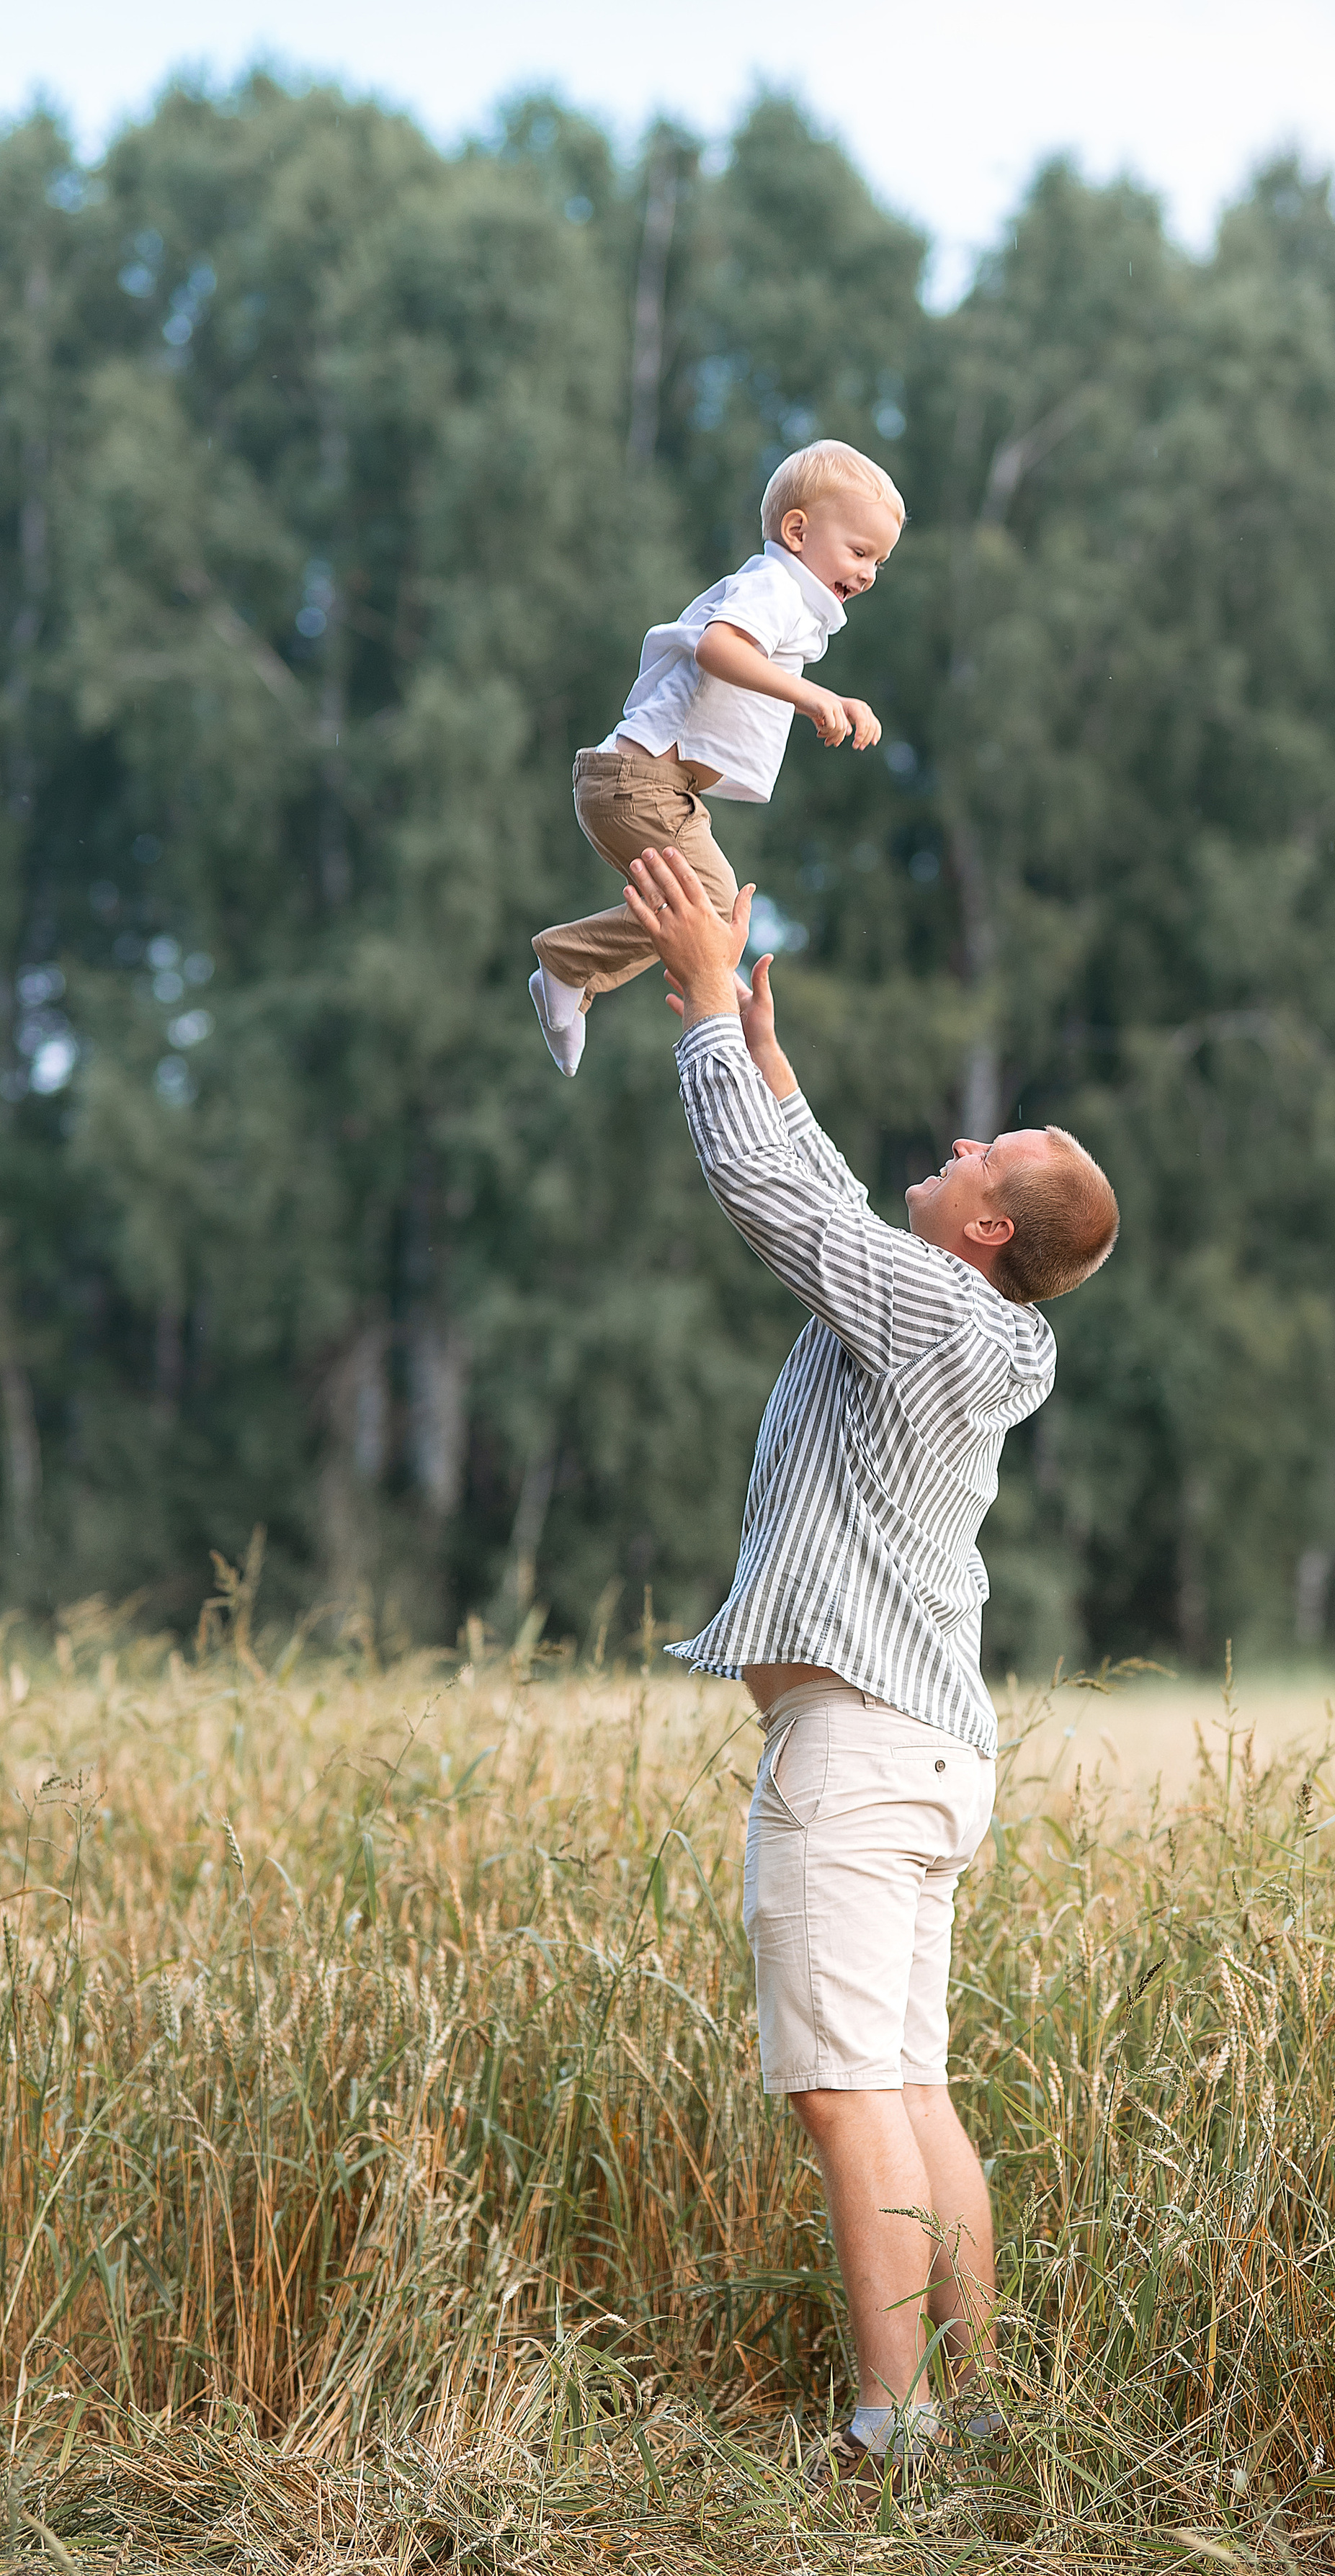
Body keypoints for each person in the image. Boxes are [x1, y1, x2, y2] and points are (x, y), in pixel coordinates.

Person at [621, 840, 1119, 2487]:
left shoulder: (927, 1310)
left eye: (997, 1147)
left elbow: (778, 1206)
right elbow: (839, 1209)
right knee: (907, 2085)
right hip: (925, 1755)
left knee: (844, 2096)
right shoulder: (979, 1320)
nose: (967, 1136)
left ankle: (891, 2423)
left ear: (984, 1221)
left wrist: (700, 1007)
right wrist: (771, 1063)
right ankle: (971, 2410)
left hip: (852, 1757)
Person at [528, 439, 903, 1074]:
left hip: (655, 788)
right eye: (859, 552)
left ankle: (598, 974)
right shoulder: (773, 587)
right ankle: (568, 963)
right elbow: (717, 650)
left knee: (711, 916)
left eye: (879, 563)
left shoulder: (788, 602)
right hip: (637, 781)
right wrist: (815, 697)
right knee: (712, 901)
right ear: (797, 531)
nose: (867, 573)